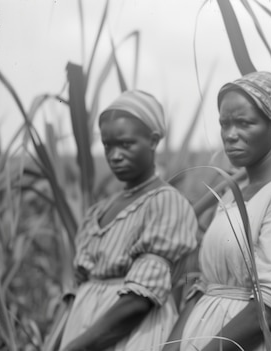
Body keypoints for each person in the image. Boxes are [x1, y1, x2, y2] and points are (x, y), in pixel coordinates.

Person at [164, 72, 271, 351]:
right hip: (201, 335)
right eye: (224, 124)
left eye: (244, 123)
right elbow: (203, 285)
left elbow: (268, 308)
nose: (229, 134)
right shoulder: (230, 195)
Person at [59, 90, 199, 351]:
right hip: (81, 332)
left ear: (153, 141)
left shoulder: (165, 204)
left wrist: (76, 347)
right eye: (108, 145)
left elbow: (139, 300)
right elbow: (77, 289)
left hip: (129, 335)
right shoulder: (98, 212)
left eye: (126, 144)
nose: (114, 155)